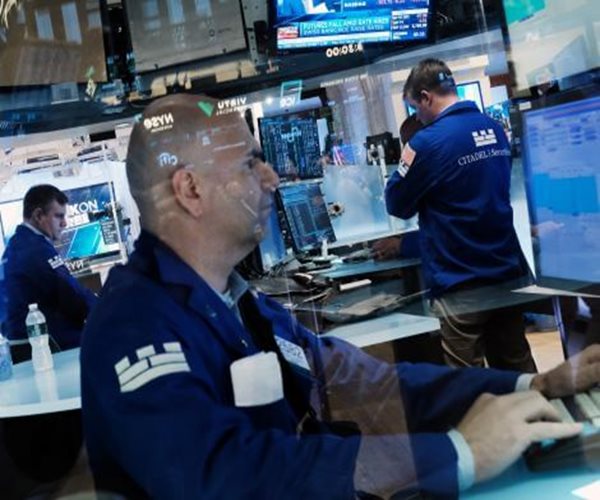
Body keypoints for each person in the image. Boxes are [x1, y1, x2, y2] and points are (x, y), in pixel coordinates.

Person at [80, 94, 600, 499]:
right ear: (190, 190)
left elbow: (361, 382)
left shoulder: (237, 302)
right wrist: (459, 453)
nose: (272, 178)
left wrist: (529, 383)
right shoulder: (133, 326)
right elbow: (222, 477)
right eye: (250, 164)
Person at [385, 58, 536, 371]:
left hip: (460, 280)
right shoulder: (494, 129)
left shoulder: (425, 143)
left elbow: (397, 204)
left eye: (415, 107)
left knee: (467, 381)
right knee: (517, 367)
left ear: (425, 97)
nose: (416, 116)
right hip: (505, 271)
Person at [3, 184, 97, 358]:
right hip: (54, 346)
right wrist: (105, 307)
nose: (64, 223)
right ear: (39, 215)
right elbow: (71, 294)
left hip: (25, 347)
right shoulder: (35, 249)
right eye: (59, 216)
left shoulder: (15, 245)